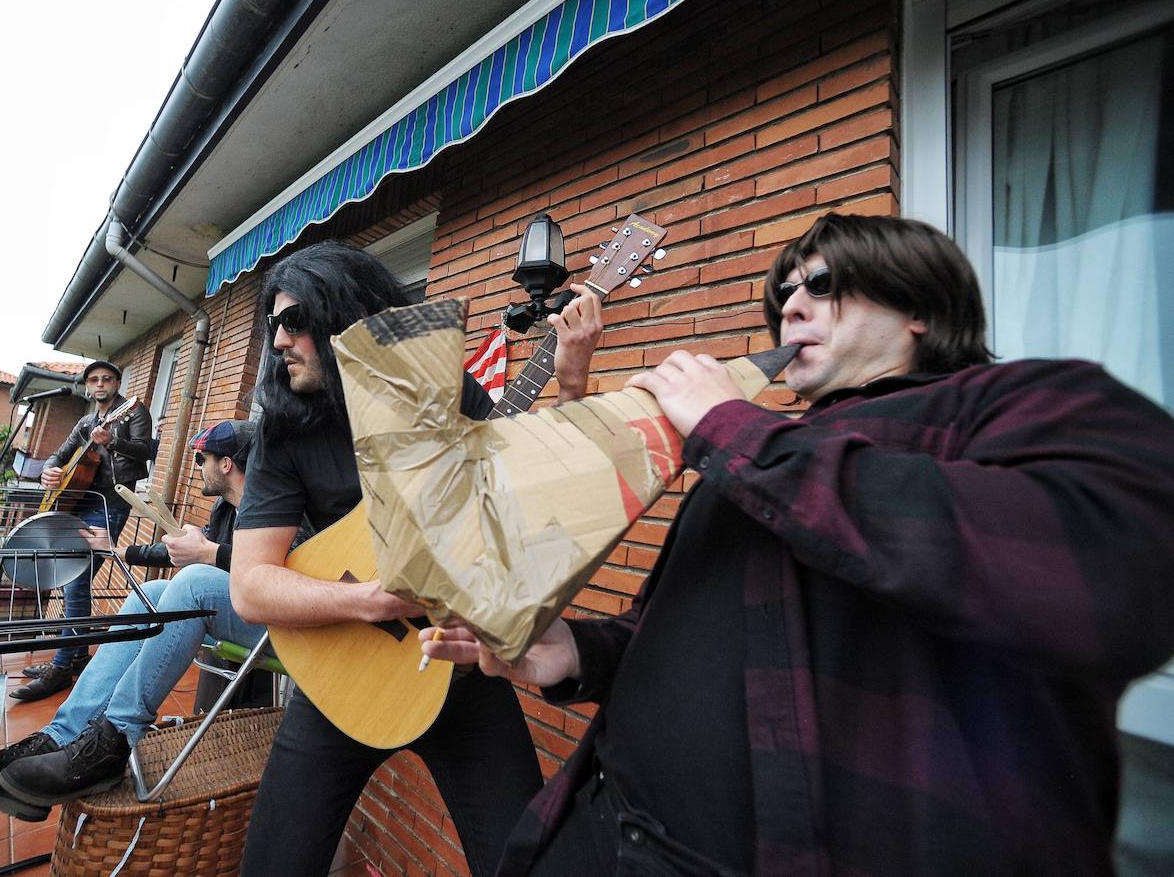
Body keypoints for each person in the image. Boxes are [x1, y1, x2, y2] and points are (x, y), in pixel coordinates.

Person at [423, 213, 1174, 876]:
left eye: (819, 284)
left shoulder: (1020, 401)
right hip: (600, 830)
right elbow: (687, 636)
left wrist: (733, 426)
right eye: (783, 293)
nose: (791, 306)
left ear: (915, 302)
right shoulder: (757, 451)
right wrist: (575, 653)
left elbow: (1115, 578)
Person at [228, 240, 603, 877]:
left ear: (343, 320)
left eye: (294, 322)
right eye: (272, 325)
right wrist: (368, 599)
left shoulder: (445, 392)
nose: (279, 341)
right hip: (349, 676)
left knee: (524, 860)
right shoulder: (286, 431)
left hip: (463, 670)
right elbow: (251, 587)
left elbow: (531, 501)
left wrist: (570, 383)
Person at [0, 419, 264, 819]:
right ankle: (63, 735)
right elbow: (181, 551)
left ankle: (115, 738)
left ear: (225, 463)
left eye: (202, 458)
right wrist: (118, 548)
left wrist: (211, 556)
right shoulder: (226, 509)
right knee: (153, 593)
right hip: (239, 609)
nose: (197, 466)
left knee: (196, 579)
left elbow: (286, 565)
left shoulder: (271, 506)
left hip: (280, 625)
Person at [13, 359, 154, 701]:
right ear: (87, 386)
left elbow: (146, 451)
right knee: (75, 581)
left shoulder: (133, 412)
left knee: (76, 579)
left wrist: (112, 442)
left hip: (111, 504)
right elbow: (57, 457)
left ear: (117, 383)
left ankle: (61, 667)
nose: (101, 384)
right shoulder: (85, 421)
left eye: (107, 378)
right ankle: (75, 655)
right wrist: (49, 471)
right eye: (94, 379)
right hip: (78, 503)